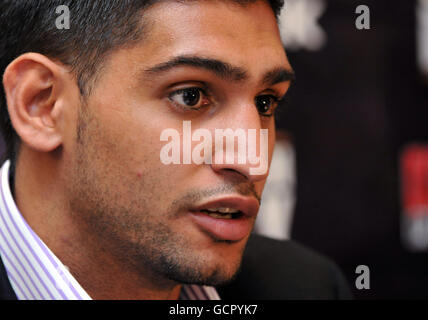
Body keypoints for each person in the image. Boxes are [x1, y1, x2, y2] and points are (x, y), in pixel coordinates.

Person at [0, 0, 352, 300]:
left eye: (265, 102)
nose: (253, 162)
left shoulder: (307, 287)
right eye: (191, 96)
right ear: (42, 105)